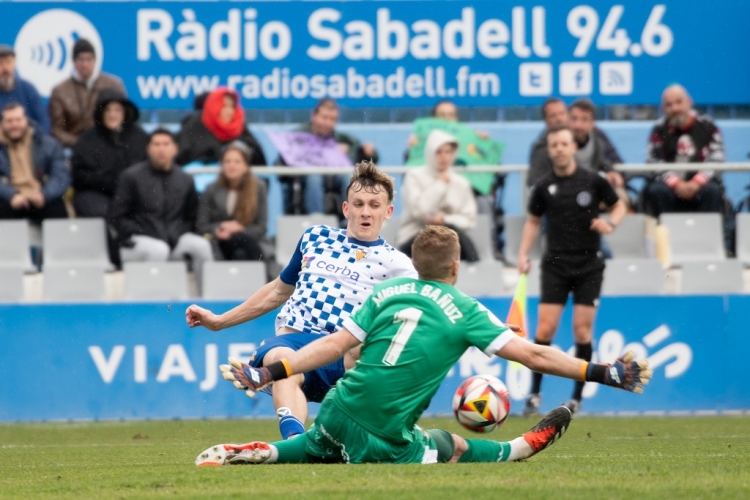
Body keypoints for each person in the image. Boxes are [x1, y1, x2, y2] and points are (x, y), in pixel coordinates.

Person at [195, 225, 651, 466]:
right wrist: (601, 372)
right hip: (386, 440)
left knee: (320, 443)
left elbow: (331, 347)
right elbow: (533, 353)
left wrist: (267, 373)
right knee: (450, 444)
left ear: (414, 264)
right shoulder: (466, 310)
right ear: (455, 269)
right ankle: (523, 446)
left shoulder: (383, 293)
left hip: (336, 411)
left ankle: (265, 451)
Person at [185, 161, 416, 440]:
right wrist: (219, 322)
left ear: (388, 211)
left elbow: (416, 319)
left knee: (370, 348)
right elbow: (277, 291)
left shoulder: (398, 265)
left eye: (374, 205)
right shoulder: (315, 238)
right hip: (295, 346)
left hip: (345, 357)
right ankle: (295, 441)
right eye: (358, 203)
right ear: (346, 208)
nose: (365, 212)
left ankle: (386, 433)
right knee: (281, 359)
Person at [518, 124, 627, 416]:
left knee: (581, 332)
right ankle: (535, 395)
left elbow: (619, 206)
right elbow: (531, 222)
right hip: (555, 265)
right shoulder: (543, 186)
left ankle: (576, 398)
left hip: (589, 265)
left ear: (573, 147)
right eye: (554, 145)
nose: (559, 149)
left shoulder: (593, 181)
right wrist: (522, 253)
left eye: (564, 144)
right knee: (545, 329)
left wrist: (611, 223)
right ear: (550, 150)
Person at [110, 129, 213, 284]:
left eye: (166, 144)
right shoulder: (131, 177)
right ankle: (152, 299)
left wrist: (175, 234)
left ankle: (208, 299)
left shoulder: (185, 179)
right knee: (159, 249)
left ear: (175, 149)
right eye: (156, 144)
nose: (161, 149)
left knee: (201, 246)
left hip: (174, 240)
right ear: (148, 149)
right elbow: (117, 217)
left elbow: (192, 217)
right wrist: (144, 231)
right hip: (137, 241)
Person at [281, 98, 378, 215]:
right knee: (314, 176)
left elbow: (362, 156)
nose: (328, 123)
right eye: (324, 117)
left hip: (333, 177)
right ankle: (317, 219)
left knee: (348, 175)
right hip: (305, 178)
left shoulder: (342, 139)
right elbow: (281, 163)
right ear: (314, 115)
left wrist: (369, 153)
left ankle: (352, 218)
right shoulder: (297, 137)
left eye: (332, 119)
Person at [643, 84, 725, 217]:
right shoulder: (658, 129)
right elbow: (653, 161)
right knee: (656, 190)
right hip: (668, 187)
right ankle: (665, 236)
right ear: (663, 108)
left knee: (712, 190)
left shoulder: (708, 126)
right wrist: (676, 183)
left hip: (701, 184)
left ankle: (707, 236)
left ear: (689, 102)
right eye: (669, 105)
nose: (675, 108)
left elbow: (717, 158)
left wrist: (697, 182)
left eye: (679, 102)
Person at [398, 130, 479, 261]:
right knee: (440, 235)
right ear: (430, 152)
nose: (444, 157)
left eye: (448, 152)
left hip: (450, 238)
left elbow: (469, 219)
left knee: (449, 233)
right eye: (439, 152)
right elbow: (419, 211)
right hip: (415, 237)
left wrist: (444, 219)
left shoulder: (461, 183)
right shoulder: (414, 176)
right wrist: (440, 184)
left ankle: (474, 271)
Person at [71, 90, 148, 219]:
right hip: (96, 193)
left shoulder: (139, 136)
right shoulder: (88, 139)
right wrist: (109, 182)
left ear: (125, 112)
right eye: (107, 110)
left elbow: (147, 168)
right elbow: (80, 174)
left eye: (117, 110)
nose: (112, 115)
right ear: (100, 113)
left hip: (133, 192)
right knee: (102, 213)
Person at [197, 141, 268, 262]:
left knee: (240, 252)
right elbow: (201, 225)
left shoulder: (258, 188)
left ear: (246, 166)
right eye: (227, 161)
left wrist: (239, 229)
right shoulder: (211, 190)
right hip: (220, 241)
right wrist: (221, 226)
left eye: (237, 162)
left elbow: (261, 227)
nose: (232, 165)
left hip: (249, 240)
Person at [48, 39, 126, 148]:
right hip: (75, 148)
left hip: (110, 144)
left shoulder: (113, 84)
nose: (85, 64)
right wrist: (82, 143)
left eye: (89, 59)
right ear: (74, 62)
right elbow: (57, 130)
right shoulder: (60, 91)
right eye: (80, 59)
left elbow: (124, 119)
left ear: (95, 61)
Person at [527, 98, 622, 188]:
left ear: (573, 147)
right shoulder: (541, 147)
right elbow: (535, 181)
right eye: (554, 145)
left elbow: (604, 161)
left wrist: (611, 172)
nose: (559, 119)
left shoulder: (594, 138)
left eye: (562, 113)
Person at [0, 103, 69, 222]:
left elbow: (61, 176)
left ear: (26, 120)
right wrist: (11, 195)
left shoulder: (48, 144)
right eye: (9, 121)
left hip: (40, 195)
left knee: (57, 209)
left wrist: (45, 194)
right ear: (2, 123)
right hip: (9, 198)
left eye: (18, 120)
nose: (14, 125)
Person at [176, 87, 266, 167]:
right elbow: (182, 158)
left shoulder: (240, 129)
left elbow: (258, 161)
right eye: (224, 106)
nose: (229, 111)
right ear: (213, 106)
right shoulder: (194, 127)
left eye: (232, 106)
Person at [568, 99, 628, 205]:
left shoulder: (598, 139)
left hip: (592, 187)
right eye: (574, 119)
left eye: (584, 120)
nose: (578, 125)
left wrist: (612, 172)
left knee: (620, 197)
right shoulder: (557, 139)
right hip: (566, 189)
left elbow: (605, 161)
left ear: (592, 124)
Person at [0, 45, 50, 134]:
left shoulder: (27, 89)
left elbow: (43, 121)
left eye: (8, 62)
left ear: (14, 63)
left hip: (28, 143)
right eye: (1, 63)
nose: (5, 68)